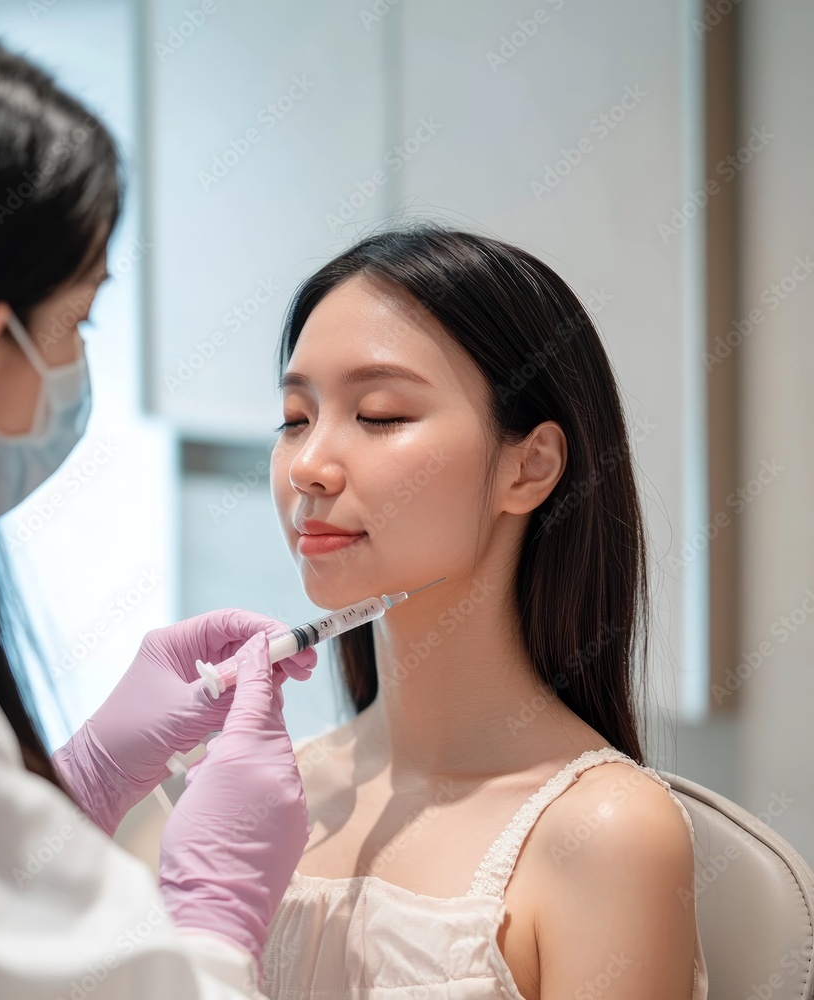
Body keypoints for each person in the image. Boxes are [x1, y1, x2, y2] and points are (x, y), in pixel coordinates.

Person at [0, 18, 315, 999]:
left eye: (382, 413)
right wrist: (215, 909)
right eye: (77, 320)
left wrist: (55, 794)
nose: (314, 466)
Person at [260, 226, 709, 998]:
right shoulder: (259, 795)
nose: (308, 466)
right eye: (296, 418)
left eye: (380, 415)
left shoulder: (604, 836)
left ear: (529, 466)